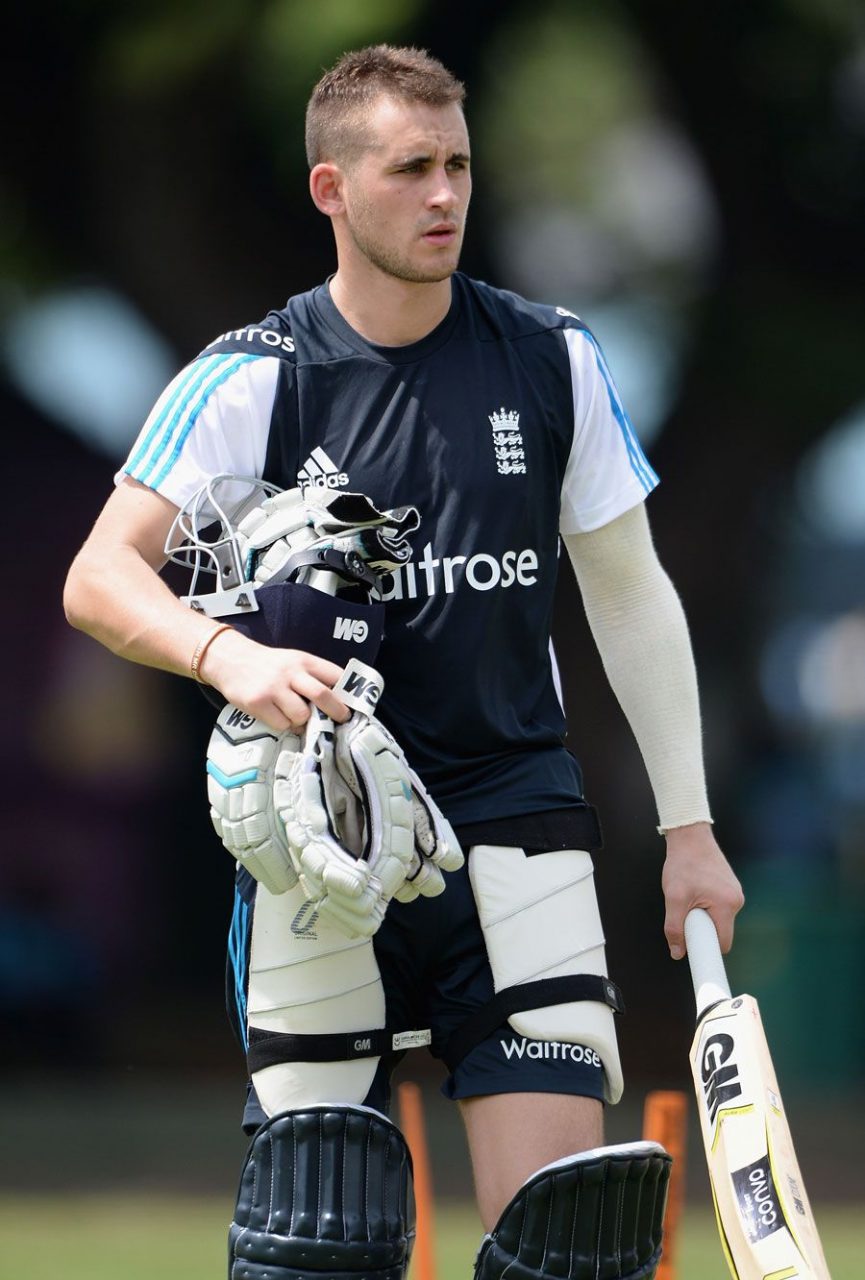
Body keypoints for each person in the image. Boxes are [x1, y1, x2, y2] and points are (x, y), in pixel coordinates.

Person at [64, 44, 743, 1280]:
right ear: (332, 188)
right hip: (321, 833)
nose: (444, 196)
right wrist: (228, 657)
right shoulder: (247, 376)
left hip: (516, 824)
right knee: (316, 1247)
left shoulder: (552, 357)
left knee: (566, 1252)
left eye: (460, 166)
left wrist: (687, 831)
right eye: (410, 168)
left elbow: (632, 594)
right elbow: (98, 578)